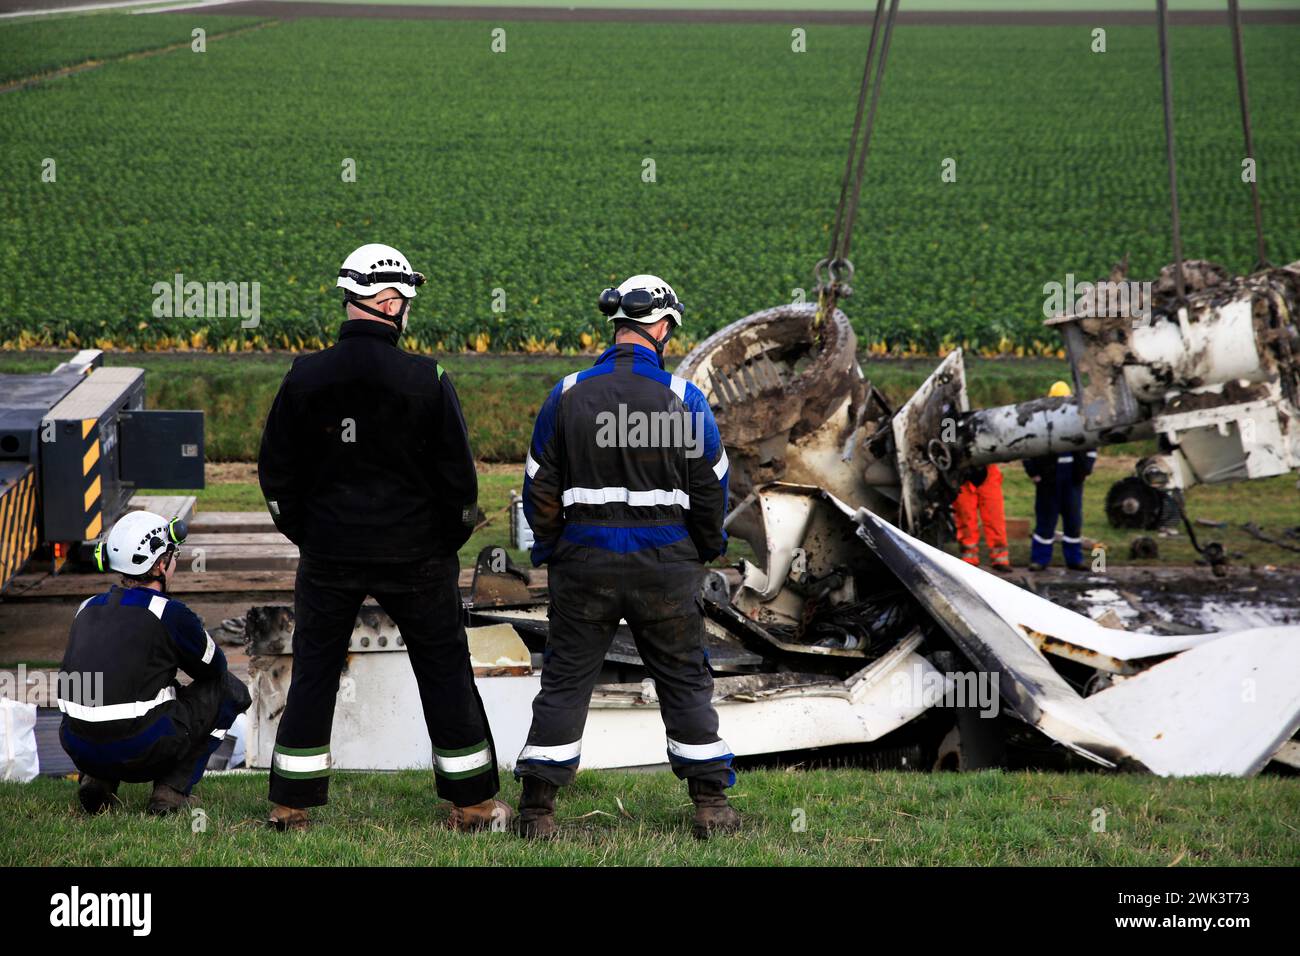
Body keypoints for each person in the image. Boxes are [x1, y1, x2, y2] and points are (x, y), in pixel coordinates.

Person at [257, 242, 507, 832]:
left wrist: (311, 534)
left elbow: (276, 476)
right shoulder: (428, 378)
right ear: (391, 302)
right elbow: (461, 484)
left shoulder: (303, 376)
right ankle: (471, 805)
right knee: (443, 671)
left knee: (314, 671)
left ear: (351, 299)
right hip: (418, 557)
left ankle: (290, 805)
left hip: (328, 555)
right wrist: (444, 542)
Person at [515, 273, 739, 840]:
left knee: (566, 680)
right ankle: (710, 805)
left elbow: (538, 486)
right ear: (661, 328)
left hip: (583, 561)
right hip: (665, 564)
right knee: (685, 678)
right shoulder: (684, 399)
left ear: (616, 326)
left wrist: (552, 548)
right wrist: (704, 548)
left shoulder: (566, 394)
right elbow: (712, 488)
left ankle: (538, 810)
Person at [57, 510, 251, 815]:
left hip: (77, 745)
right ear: (160, 564)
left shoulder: (86, 608)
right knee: (230, 690)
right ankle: (171, 790)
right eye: (172, 555)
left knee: (117, 696)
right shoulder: (169, 613)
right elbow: (215, 670)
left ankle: (98, 779)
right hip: (142, 750)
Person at [1024, 380, 1097, 571]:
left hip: (1072, 479)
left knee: (1073, 521)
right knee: (1045, 520)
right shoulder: (1040, 421)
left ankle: (1074, 559)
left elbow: (1091, 447)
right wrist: (1034, 473)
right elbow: (1027, 448)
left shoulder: (1079, 420)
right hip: (1049, 480)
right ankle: (1040, 560)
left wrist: (1085, 470)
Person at [952, 464, 1011, 572]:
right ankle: (969, 558)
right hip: (961, 475)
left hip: (988, 472)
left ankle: (1000, 559)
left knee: (995, 519)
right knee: (965, 518)